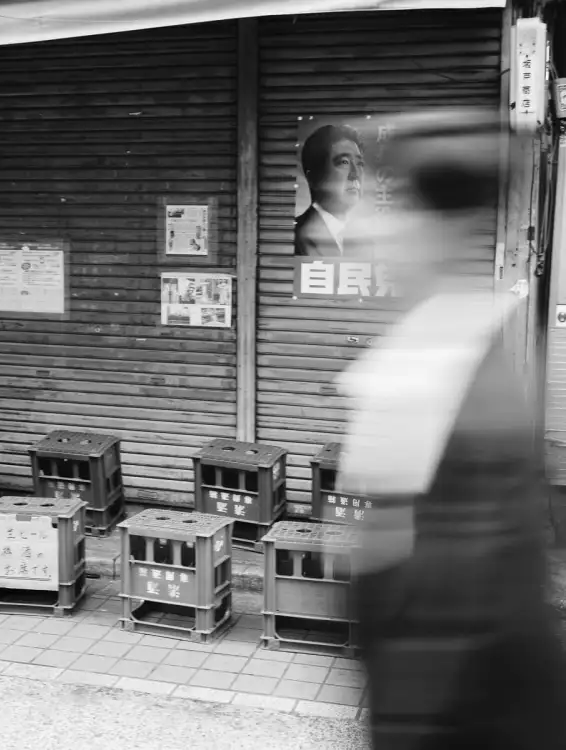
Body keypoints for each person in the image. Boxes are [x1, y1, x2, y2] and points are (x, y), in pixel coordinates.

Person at [336, 109, 566, 750]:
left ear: (432, 227)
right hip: (493, 687)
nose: (375, 230)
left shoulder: (429, 355)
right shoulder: (463, 335)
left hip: (461, 698)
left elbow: (415, 574)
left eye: (393, 205)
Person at [295, 123, 366, 257]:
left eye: (360, 163)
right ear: (314, 178)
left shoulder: (365, 238)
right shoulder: (295, 236)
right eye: (344, 162)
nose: (355, 174)